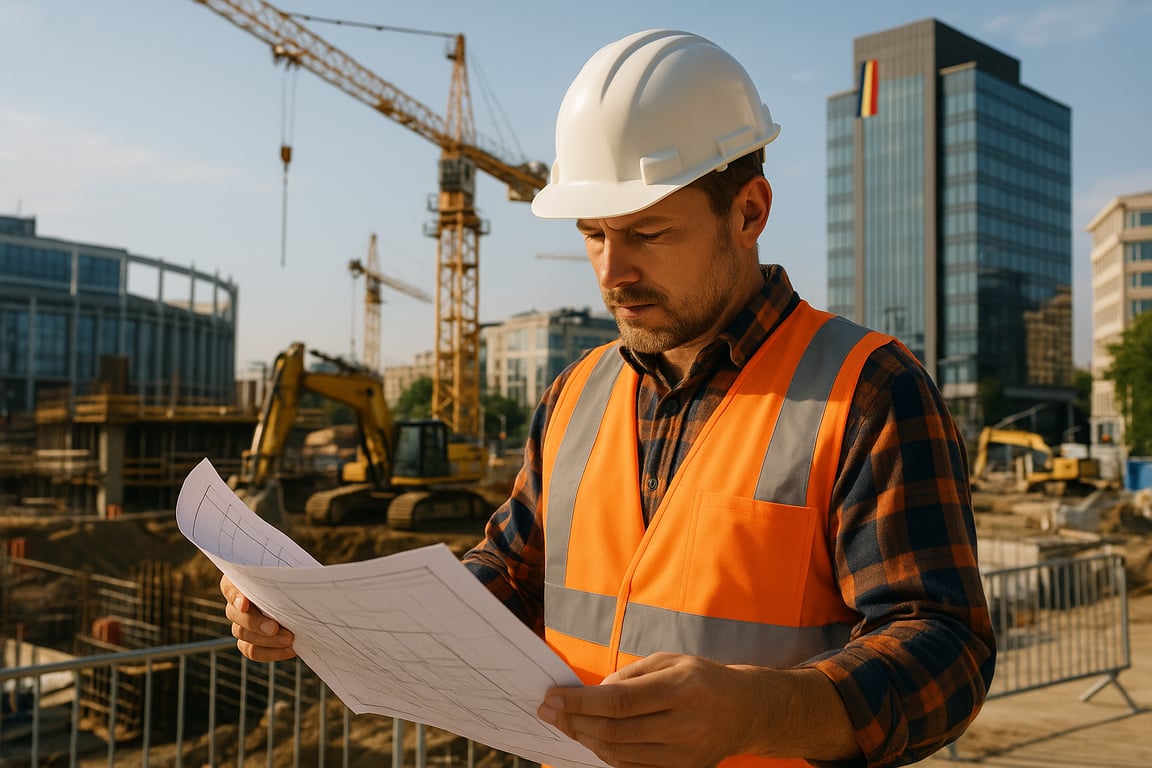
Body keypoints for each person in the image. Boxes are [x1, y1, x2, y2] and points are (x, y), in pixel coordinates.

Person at [222, 28, 995, 768]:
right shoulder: (577, 394)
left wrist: (754, 712)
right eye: (594, 234)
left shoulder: (867, 390)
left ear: (750, 212)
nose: (610, 271)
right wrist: (334, 620)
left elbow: (946, 650)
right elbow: (512, 577)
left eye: (647, 233)